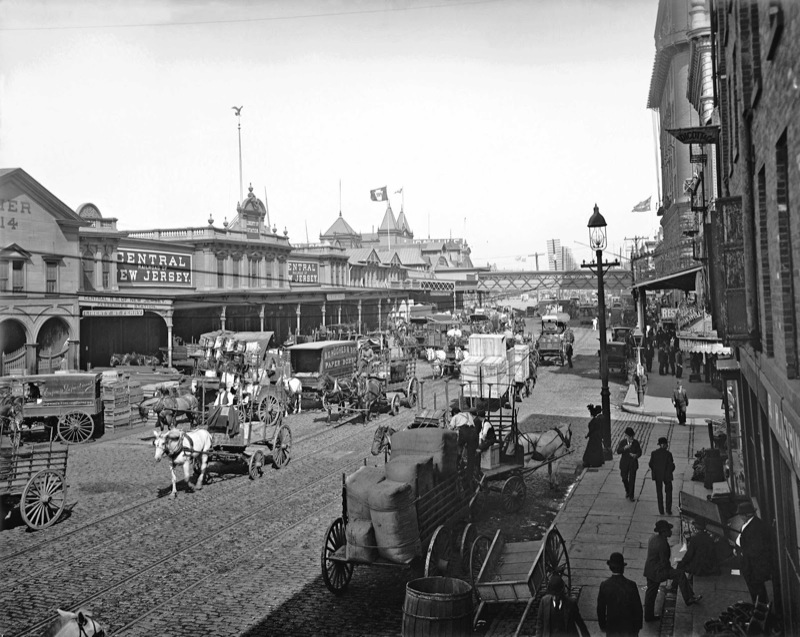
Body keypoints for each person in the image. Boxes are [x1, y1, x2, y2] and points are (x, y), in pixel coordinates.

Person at [643, 520, 702, 622]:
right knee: (679, 574)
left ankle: (648, 616)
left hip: (649, 570)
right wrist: (671, 570)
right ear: (664, 531)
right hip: (658, 572)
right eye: (669, 530)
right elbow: (664, 562)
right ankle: (689, 598)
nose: (671, 531)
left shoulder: (653, 538)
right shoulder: (663, 544)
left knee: (651, 593)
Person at [597, 552, 643, 637]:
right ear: (623, 568)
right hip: (629, 628)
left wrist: (603, 626)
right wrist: (638, 627)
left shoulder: (604, 585)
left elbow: (601, 609)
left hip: (612, 628)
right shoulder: (631, 585)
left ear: (610, 568)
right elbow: (638, 608)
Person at [736, 501, 772, 604]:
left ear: (747, 514)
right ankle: (759, 607)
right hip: (751, 565)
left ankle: (760, 609)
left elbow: (756, 549)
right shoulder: (751, 523)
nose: (740, 517)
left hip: (754, 566)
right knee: (755, 589)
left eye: (741, 514)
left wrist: (742, 552)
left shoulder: (755, 527)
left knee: (757, 589)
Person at [648, 437, 675, 515]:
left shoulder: (654, 453)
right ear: (664, 445)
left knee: (659, 493)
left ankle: (661, 510)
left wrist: (656, 470)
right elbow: (671, 465)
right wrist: (669, 471)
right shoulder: (668, 454)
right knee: (669, 493)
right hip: (667, 476)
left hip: (658, 476)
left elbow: (650, 464)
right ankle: (668, 509)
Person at [615, 427, 641, 501]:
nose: (631, 438)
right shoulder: (623, 442)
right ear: (626, 436)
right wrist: (624, 448)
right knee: (624, 478)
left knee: (632, 480)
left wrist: (635, 455)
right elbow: (618, 451)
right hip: (624, 463)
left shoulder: (636, 443)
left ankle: (631, 496)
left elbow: (639, 452)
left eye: (632, 436)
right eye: (630, 437)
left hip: (633, 463)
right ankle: (627, 490)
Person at [582, 404, 605, 468]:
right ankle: (598, 461)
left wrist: (587, 435)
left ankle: (592, 462)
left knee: (592, 449)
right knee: (597, 449)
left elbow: (593, 429)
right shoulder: (600, 417)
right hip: (597, 436)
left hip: (594, 436)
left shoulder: (596, 419)